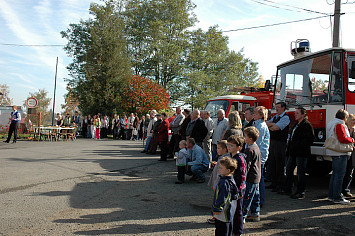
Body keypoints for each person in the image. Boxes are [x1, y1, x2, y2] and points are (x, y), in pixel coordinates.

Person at [282, 107, 314, 199]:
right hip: (293, 152)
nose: (295, 115)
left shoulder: (307, 125)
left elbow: (309, 139)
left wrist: (298, 145)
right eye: (295, 113)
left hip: (301, 153)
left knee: (300, 172)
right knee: (289, 169)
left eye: (297, 113)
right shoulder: (297, 125)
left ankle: (301, 191)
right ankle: (288, 188)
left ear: (303, 115)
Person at [327, 109, 354, 204]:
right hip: (340, 152)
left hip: (334, 152)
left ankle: (332, 195)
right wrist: (351, 140)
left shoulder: (332, 123)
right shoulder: (340, 124)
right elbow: (342, 138)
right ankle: (337, 196)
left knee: (335, 174)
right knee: (339, 175)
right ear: (344, 117)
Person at [266, 102, 290, 192]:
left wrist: (271, 125)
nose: (277, 109)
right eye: (276, 107)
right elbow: (267, 124)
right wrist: (271, 125)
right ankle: (274, 183)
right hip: (273, 142)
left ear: (283, 108)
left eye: (278, 107)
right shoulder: (275, 117)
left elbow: (275, 128)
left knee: (279, 163)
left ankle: (280, 184)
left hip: (280, 143)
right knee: (272, 163)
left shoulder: (285, 118)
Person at [211, 156, 238, 236]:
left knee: (221, 231)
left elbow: (222, 197)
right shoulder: (231, 179)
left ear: (228, 170)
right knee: (228, 230)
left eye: (221, 168)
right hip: (230, 211)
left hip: (223, 212)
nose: (219, 170)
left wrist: (217, 208)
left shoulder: (224, 182)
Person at [227, 135, 247, 236]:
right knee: (232, 211)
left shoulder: (239, 159)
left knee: (238, 211)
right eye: (228, 145)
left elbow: (242, 176)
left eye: (231, 145)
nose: (229, 147)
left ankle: (238, 231)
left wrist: (239, 191)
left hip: (238, 190)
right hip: (232, 188)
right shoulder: (232, 157)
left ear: (238, 147)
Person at [207, 140, 230, 225]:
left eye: (219, 148)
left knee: (218, 201)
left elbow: (220, 173)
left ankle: (216, 217)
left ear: (225, 149)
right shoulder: (222, 158)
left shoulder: (225, 159)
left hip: (219, 183)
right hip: (217, 182)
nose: (217, 150)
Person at [242, 126, 261, 222]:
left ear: (250, 138)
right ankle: (255, 213)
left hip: (250, 177)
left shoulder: (249, 150)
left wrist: (243, 177)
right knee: (255, 197)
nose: (244, 138)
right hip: (256, 176)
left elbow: (247, 166)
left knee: (247, 198)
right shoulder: (256, 147)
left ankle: (243, 216)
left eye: (245, 136)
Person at [252, 106, 270, 207]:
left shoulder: (261, 126)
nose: (253, 115)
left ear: (261, 115)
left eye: (255, 113)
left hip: (260, 155)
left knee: (259, 178)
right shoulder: (257, 124)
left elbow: (257, 141)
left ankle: (260, 201)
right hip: (257, 154)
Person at [342, 114, 355, 197]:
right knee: (343, 172)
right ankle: (342, 189)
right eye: (352, 120)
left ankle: (346, 189)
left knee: (350, 172)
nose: (354, 122)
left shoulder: (354, 130)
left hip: (353, 154)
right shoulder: (345, 129)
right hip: (345, 152)